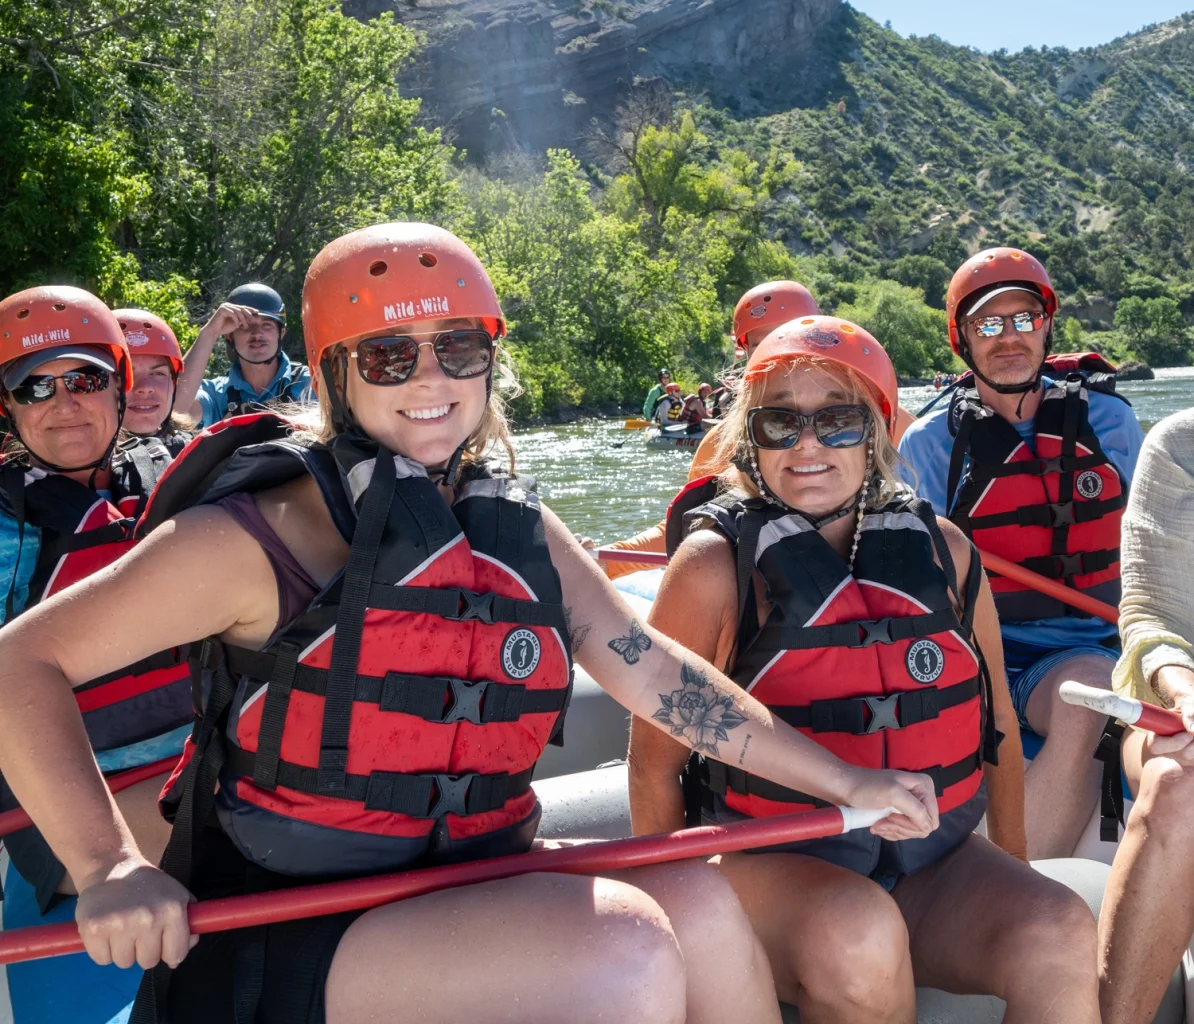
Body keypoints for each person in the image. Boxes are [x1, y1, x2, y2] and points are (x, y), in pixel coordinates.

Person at [0, 225, 938, 1024]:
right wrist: (107, 865)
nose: (431, 379)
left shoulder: (518, 526)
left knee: (699, 900)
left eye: (459, 349)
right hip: (283, 928)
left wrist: (845, 778)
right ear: (336, 373)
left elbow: (652, 671)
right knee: (624, 952)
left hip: (465, 876)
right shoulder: (256, 537)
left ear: (490, 358)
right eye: (390, 357)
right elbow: (20, 662)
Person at [629, 315, 1100, 1022]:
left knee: (1059, 928)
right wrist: (681, 926)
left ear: (877, 431)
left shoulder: (944, 550)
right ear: (750, 438)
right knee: (859, 932)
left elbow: (997, 723)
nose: (808, 445)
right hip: (775, 865)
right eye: (780, 424)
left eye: (838, 421)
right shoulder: (713, 568)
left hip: (931, 861)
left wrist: (1015, 867)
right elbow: (654, 767)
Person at [898, 247, 1144, 860]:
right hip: (991, 653)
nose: (1009, 337)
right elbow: (908, 579)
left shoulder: (1108, 421)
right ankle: (1022, 899)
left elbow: (1154, 548)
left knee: (1099, 687)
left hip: (1101, 638)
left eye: (1024, 319)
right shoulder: (931, 444)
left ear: (1046, 327)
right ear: (962, 339)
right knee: (1090, 695)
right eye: (988, 324)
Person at [0, 287, 193, 1023]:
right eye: (33, 386)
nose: (63, 403)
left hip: (196, 770)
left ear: (119, 384)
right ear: (10, 408)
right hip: (63, 818)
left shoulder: (180, 482)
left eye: (83, 379)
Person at [604, 281, 821, 578]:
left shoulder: (877, 422)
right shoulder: (719, 442)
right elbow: (685, 528)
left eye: (793, 339)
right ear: (747, 354)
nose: (779, 355)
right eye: (762, 345)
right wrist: (606, 562)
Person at [1093, 408, 1194, 1024]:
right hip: (1176, 705)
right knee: (1180, 786)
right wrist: (1185, 690)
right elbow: (1149, 615)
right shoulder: (1180, 445)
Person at [173, 282, 312, 427]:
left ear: (281, 334)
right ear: (229, 337)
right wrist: (209, 333)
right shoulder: (217, 395)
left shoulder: (310, 384)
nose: (257, 333)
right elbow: (174, 410)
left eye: (267, 325)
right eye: (245, 325)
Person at [113, 308, 194, 455]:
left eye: (158, 373)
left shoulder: (199, 453)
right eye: (125, 374)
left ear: (174, 383)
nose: (145, 387)